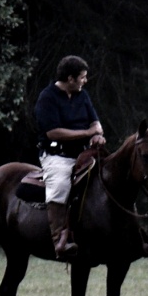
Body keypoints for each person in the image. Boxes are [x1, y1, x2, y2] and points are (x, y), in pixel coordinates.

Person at [34, 55, 106, 258]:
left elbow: (95, 123)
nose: (85, 81)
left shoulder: (82, 95)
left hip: (85, 153)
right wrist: (86, 133)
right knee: (59, 185)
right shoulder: (47, 97)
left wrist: (97, 134)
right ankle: (59, 239)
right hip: (57, 156)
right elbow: (53, 132)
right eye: (82, 77)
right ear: (70, 78)